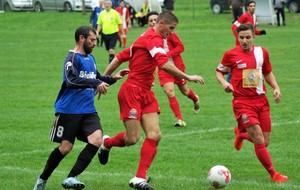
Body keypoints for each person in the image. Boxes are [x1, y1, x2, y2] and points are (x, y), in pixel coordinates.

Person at [98, 11, 205, 190]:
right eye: (170, 28)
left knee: (155, 135)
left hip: (146, 93)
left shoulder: (151, 38)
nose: (171, 33)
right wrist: (103, 79)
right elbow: (162, 63)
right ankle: (106, 143)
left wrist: (103, 78)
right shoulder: (152, 38)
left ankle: (139, 178)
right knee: (132, 139)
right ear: (161, 23)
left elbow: (120, 57)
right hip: (132, 91)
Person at [33, 26, 129, 190]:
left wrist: (113, 78)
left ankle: (71, 177)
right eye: (92, 40)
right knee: (65, 148)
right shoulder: (72, 58)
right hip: (68, 111)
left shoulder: (90, 58)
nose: (94, 43)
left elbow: (96, 77)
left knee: (97, 140)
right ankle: (42, 179)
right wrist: (95, 83)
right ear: (81, 38)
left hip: (88, 110)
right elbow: (71, 81)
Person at [216, 23, 288, 183]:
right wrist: (224, 83)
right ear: (237, 38)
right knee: (258, 137)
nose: (244, 41)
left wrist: (276, 87)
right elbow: (219, 71)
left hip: (261, 101)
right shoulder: (230, 54)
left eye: (248, 37)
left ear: (253, 37)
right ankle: (274, 174)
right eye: (241, 37)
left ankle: (241, 134)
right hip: (242, 102)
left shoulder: (262, 52)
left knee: (265, 141)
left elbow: (267, 72)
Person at [147, 11, 200, 127]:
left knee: (185, 91)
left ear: (161, 22)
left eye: (154, 20)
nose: (152, 23)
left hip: (176, 66)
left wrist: (168, 54)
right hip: (163, 68)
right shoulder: (148, 37)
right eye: (150, 21)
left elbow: (181, 47)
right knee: (169, 91)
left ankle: (195, 98)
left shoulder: (169, 33)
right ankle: (180, 119)